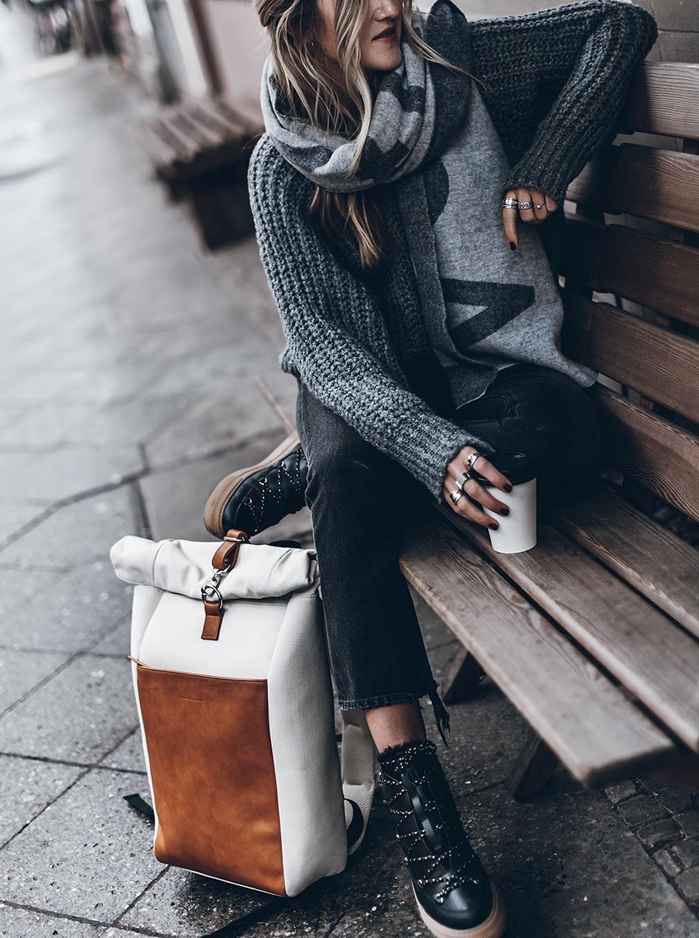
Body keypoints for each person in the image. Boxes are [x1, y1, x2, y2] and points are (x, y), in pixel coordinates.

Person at [204, 0, 658, 934]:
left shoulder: (463, 67)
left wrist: (543, 163)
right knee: (348, 459)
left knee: (565, 434)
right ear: (298, 14)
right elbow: (327, 355)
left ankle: (320, 477)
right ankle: (413, 786)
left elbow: (622, 25)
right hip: (368, 390)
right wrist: (426, 445)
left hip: (496, 380)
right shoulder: (279, 170)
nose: (388, 6)